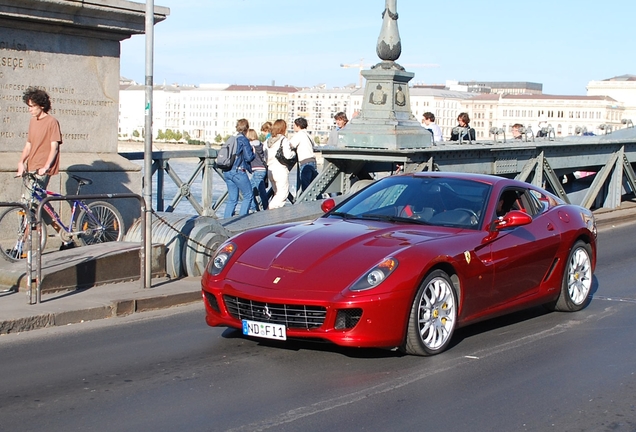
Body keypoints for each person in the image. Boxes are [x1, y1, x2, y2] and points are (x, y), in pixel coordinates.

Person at [17, 87, 62, 188]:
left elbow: (54, 147)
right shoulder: (33, 121)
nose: (30, 110)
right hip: (31, 165)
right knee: (38, 199)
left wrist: (46, 167)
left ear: (41, 106)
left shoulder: (52, 122)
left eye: (33, 106)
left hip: (42, 166)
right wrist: (21, 162)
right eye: (29, 106)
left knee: (30, 199)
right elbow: (29, 144)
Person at [223, 118, 255, 218]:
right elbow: (248, 157)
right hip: (238, 171)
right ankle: (242, 222)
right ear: (247, 129)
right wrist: (253, 152)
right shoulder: (243, 139)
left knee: (232, 199)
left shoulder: (232, 138)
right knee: (248, 195)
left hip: (227, 171)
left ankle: (225, 222)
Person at [266, 119, 294, 209]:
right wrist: (293, 153)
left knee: (276, 193)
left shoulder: (268, 141)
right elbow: (288, 155)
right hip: (280, 169)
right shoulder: (283, 139)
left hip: (270, 169)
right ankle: (268, 210)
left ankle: (273, 215)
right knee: (282, 194)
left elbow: (264, 156)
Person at [289, 117, 318, 192]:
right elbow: (315, 147)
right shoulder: (309, 135)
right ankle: (319, 201)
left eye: (294, 125)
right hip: (313, 161)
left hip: (305, 162)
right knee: (314, 185)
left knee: (305, 186)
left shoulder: (299, 134)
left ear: (298, 126)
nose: (293, 127)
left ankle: (306, 203)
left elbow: (291, 145)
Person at [246, 128, 268, 211]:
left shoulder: (250, 145)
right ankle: (266, 208)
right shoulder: (260, 145)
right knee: (262, 191)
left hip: (257, 170)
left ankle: (254, 209)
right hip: (263, 169)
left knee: (249, 190)